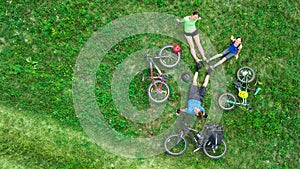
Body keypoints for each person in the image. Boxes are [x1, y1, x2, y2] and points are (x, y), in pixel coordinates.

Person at [176, 64, 212, 152]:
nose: (196, 110)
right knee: (204, 85)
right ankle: (208, 73)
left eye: (196, 111)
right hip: (200, 97)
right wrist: (205, 115)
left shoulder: (190, 111)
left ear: (195, 113)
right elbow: (203, 114)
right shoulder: (201, 110)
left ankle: (197, 70)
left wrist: (178, 111)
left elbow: (183, 110)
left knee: (194, 82)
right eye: (197, 110)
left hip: (192, 96)